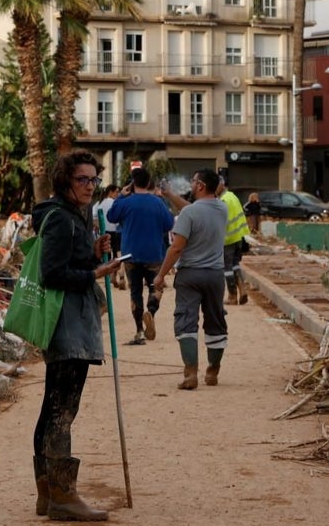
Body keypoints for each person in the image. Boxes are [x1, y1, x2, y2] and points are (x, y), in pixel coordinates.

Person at [30, 151, 121, 522]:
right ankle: (63, 497)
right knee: (61, 410)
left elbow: (71, 261)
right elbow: (52, 274)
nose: (89, 187)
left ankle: (48, 494)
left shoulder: (76, 216)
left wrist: (91, 252)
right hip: (66, 325)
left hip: (74, 322)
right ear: (65, 181)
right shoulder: (59, 218)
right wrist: (96, 274)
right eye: (82, 180)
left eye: (93, 180)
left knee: (54, 406)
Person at [153, 169, 228, 390]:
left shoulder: (189, 214)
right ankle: (213, 370)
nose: (191, 184)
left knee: (186, 322)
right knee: (215, 321)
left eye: (194, 181)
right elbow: (193, 210)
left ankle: (190, 374)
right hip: (215, 275)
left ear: (201, 186)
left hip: (190, 275)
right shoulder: (221, 209)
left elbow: (176, 248)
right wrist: (169, 195)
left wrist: (160, 275)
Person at [107, 167, 174, 345]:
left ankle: (139, 331)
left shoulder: (126, 202)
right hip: (153, 253)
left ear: (132, 183)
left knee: (135, 291)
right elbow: (168, 224)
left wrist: (121, 195)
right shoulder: (157, 202)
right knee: (156, 288)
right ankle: (150, 312)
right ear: (149, 182)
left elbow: (111, 216)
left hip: (130, 254)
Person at [217, 178, 250, 305]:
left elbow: (221, 222)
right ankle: (242, 289)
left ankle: (232, 295)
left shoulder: (223, 200)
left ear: (221, 185)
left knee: (227, 268)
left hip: (228, 239)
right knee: (235, 264)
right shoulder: (232, 196)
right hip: (238, 237)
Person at [94, 185, 126, 289]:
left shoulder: (99, 204)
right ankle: (120, 275)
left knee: (106, 254)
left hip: (104, 232)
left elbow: (94, 216)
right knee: (119, 254)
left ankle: (110, 275)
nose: (117, 194)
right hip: (116, 231)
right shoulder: (115, 203)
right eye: (116, 192)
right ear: (110, 192)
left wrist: (98, 226)